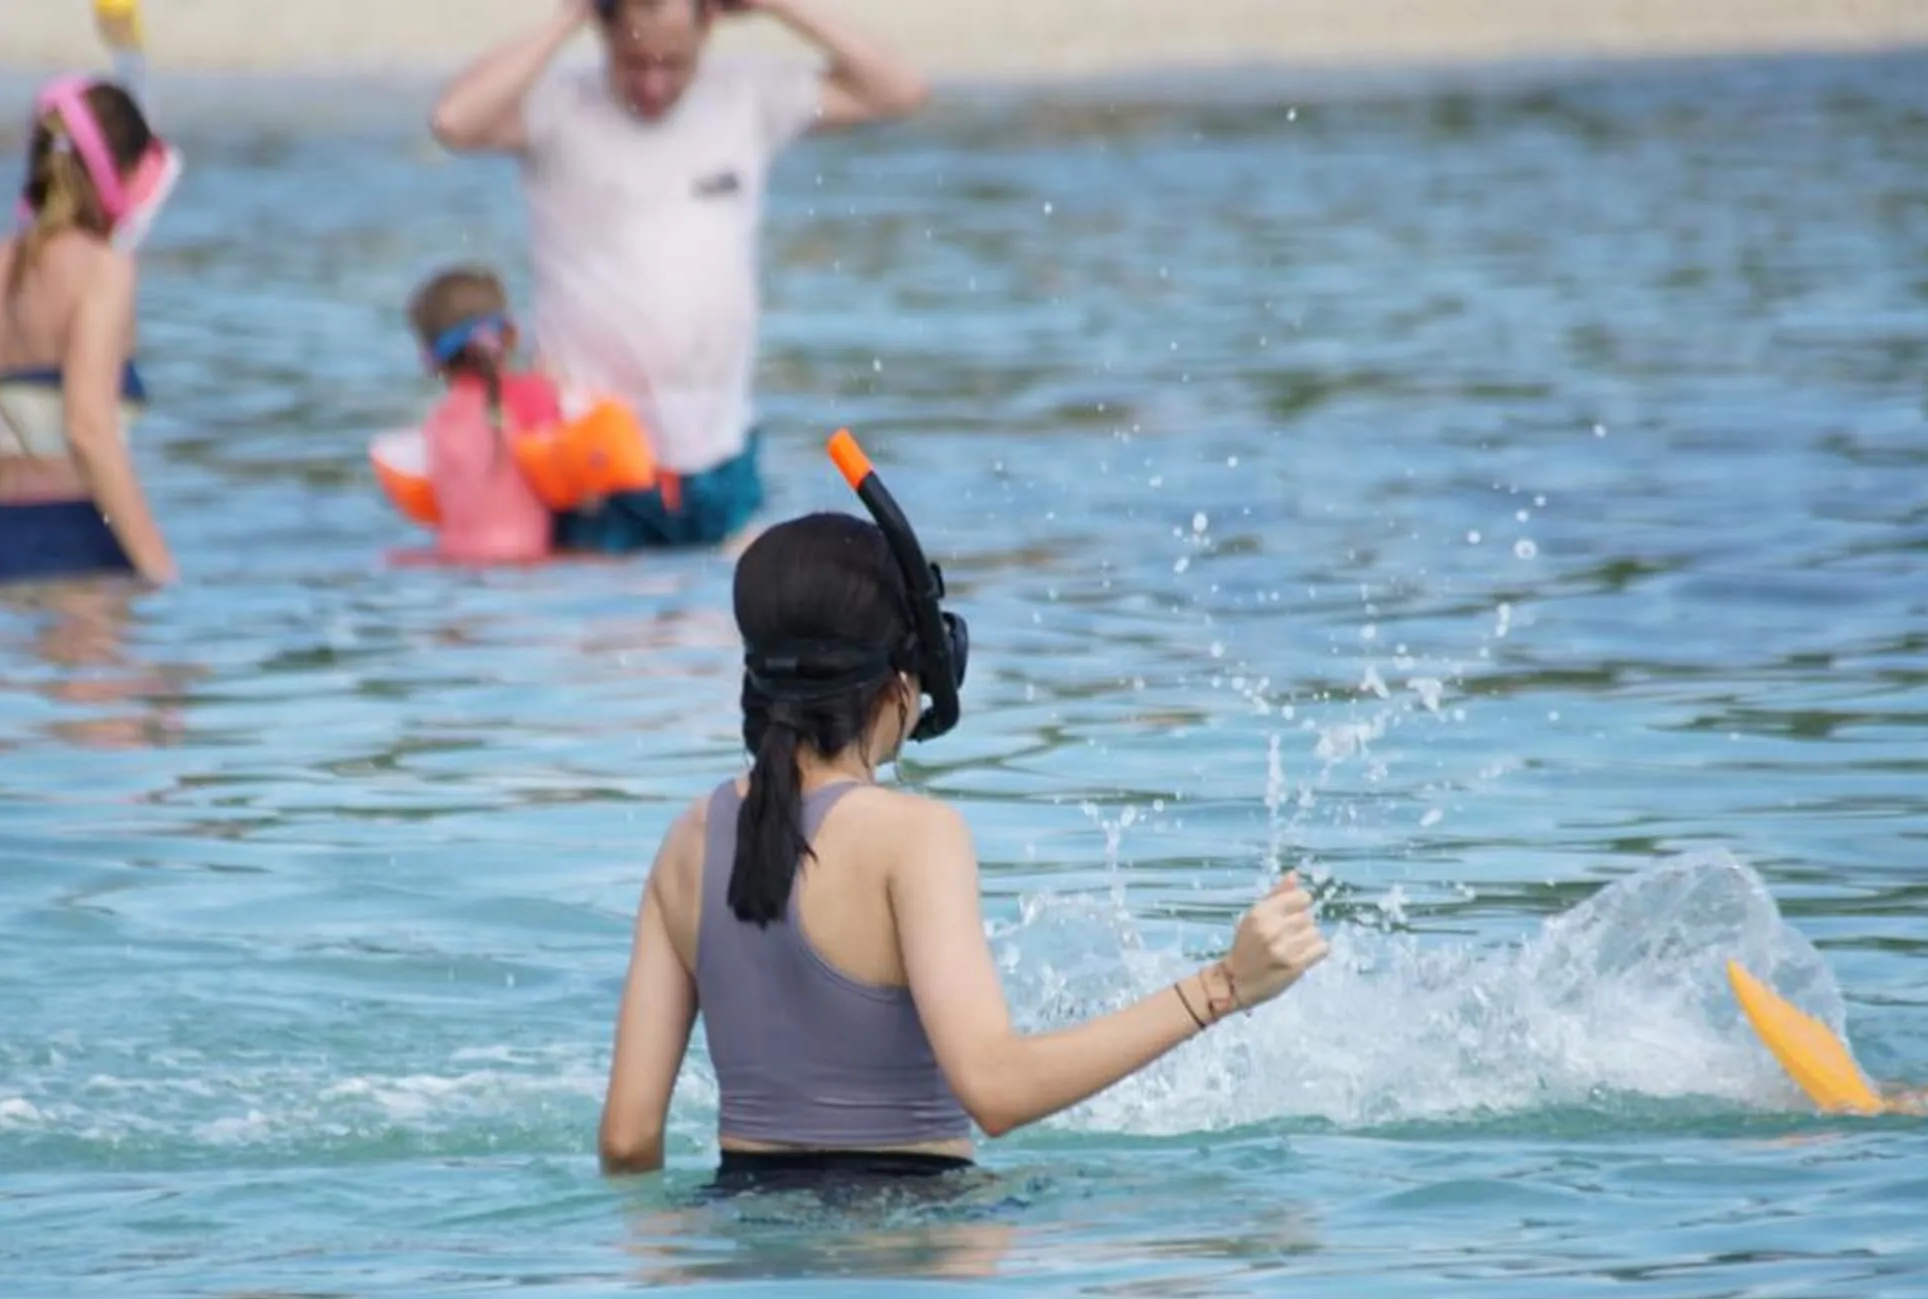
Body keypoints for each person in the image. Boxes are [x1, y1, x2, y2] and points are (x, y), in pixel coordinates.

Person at [597, 495, 1332, 1180]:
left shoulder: (688, 842)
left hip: (745, 1254)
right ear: (904, 681)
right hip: (915, 1250)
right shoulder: (913, 837)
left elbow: (628, 1142)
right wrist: (1223, 987)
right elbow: (995, 1090)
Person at [427, 0, 927, 553]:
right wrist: (572, 14)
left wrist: (776, 5)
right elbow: (454, 120)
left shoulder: (747, 96)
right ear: (604, 33)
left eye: (673, 63)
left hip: (721, 456)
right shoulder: (558, 108)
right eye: (634, 62)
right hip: (598, 468)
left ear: (709, 25)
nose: (653, 83)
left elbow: (900, 90)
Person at [0, 76, 180, 590]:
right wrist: (161, 569)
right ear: (121, 178)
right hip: (83, 545)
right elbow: (89, 431)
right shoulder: (104, 272)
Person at [404, 267, 563, 564]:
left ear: (430, 362)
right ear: (511, 335)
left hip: (449, 560)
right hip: (525, 562)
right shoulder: (532, 395)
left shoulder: (437, 419)